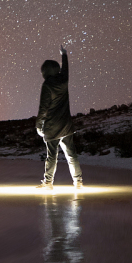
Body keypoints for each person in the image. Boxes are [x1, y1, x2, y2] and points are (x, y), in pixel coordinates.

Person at [35, 45, 83, 190]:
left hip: (52, 126)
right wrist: (64, 55)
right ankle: (78, 182)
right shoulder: (64, 80)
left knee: (52, 156)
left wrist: (38, 124)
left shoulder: (47, 85)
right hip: (66, 125)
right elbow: (66, 69)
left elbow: (43, 108)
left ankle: (48, 183)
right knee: (71, 155)